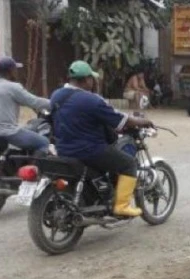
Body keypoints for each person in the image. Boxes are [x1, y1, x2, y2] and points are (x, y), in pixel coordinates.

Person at [50, 60, 154, 217]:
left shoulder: (56, 96)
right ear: (86, 80)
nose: (93, 82)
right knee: (128, 163)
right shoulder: (92, 100)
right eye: (92, 79)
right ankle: (122, 206)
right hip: (90, 151)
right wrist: (142, 122)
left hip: (63, 149)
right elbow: (121, 120)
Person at [0, 56, 51, 153]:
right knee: (43, 142)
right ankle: (34, 167)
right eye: (15, 69)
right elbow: (34, 101)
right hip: (7, 133)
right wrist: (54, 102)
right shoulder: (13, 87)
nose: (17, 72)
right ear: (11, 71)